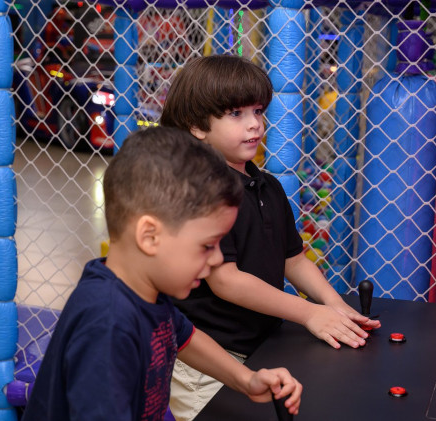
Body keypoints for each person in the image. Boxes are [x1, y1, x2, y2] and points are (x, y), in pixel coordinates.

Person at [21, 127, 302, 421]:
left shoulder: (145, 290)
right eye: (207, 246)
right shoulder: (107, 324)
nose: (218, 258)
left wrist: (246, 380)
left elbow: (184, 336)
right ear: (150, 236)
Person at [161, 54, 381, 420]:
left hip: (262, 348)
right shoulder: (199, 189)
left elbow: (293, 259)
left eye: (258, 111)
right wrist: (308, 313)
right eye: (236, 114)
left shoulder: (268, 186)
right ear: (197, 126)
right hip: (208, 363)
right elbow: (226, 280)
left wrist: (334, 306)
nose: (254, 124)